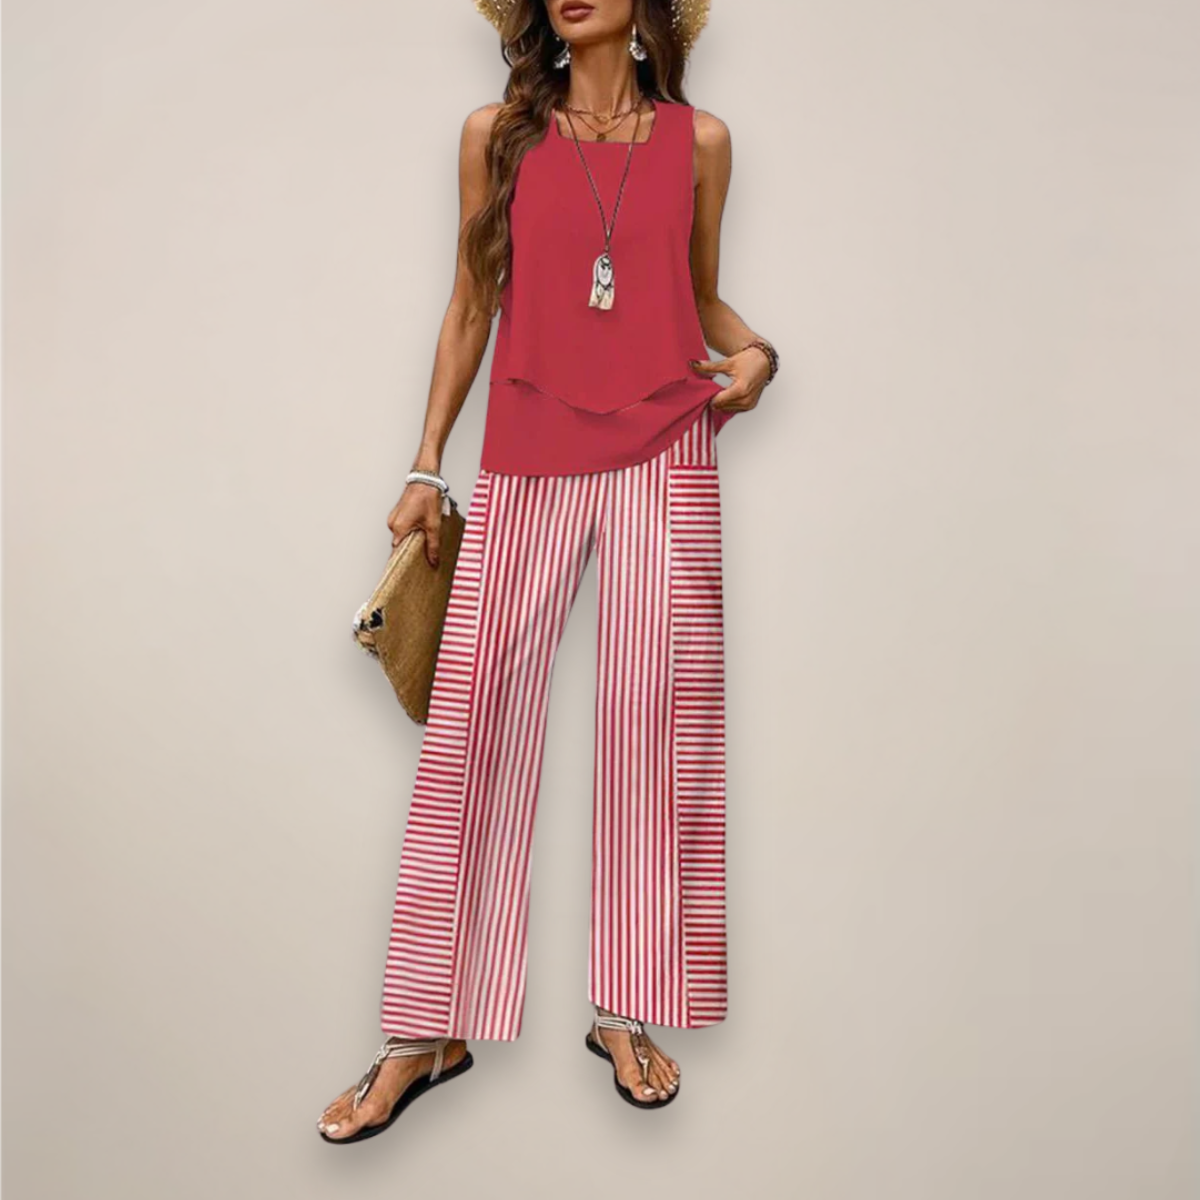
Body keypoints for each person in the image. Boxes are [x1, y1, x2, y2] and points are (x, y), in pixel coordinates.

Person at [317, 0, 778, 1143]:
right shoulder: (497, 135)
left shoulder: (701, 142)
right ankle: (426, 1027)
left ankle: (627, 1009)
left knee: (656, 725)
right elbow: (472, 300)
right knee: (472, 726)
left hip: (667, 451)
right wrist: (424, 463)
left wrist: (756, 351)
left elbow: (698, 294)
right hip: (527, 447)